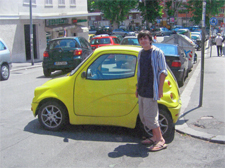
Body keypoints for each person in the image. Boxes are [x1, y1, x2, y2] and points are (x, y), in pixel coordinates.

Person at [136, 30, 168, 152]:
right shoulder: (140, 53)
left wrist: (160, 89)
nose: (143, 41)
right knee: (144, 116)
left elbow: (163, 72)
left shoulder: (157, 53)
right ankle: (154, 137)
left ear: (150, 39)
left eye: (145, 38)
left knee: (151, 116)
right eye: (141, 39)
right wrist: (137, 88)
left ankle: (160, 140)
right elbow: (140, 73)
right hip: (142, 90)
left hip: (151, 90)